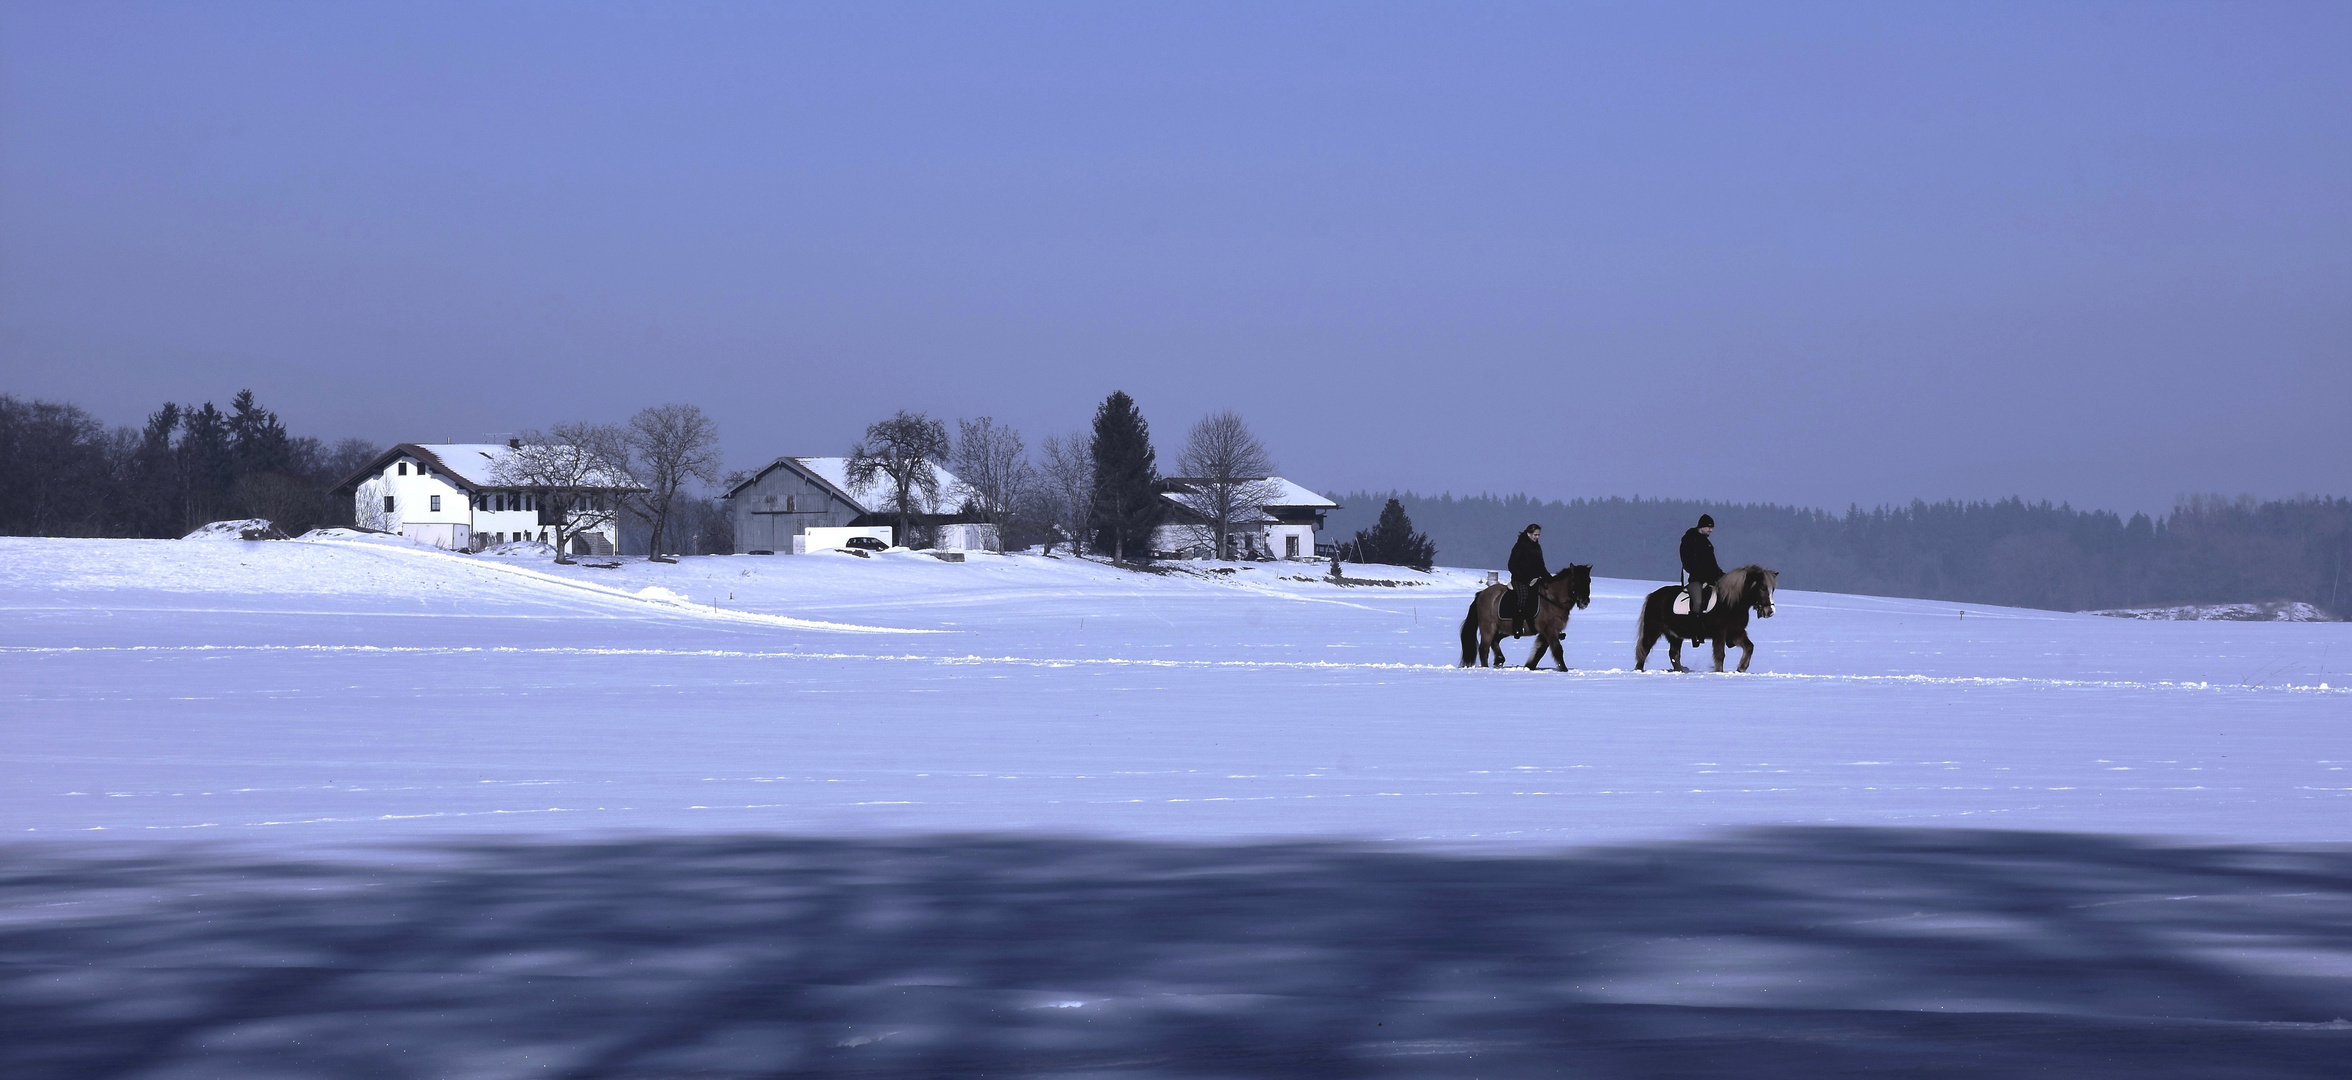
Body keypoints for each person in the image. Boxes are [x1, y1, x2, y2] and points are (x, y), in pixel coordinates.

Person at [1507, 523, 1548, 637]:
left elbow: (1541, 566)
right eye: (1535, 535)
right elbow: (1511, 565)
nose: (1537, 537)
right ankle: (1517, 627)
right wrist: (1523, 577)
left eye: (1538, 535)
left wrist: (1548, 578)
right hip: (1519, 579)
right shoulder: (1520, 546)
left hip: (1534, 579)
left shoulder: (1537, 548)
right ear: (1528, 533)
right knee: (1523, 597)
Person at [1680, 514, 1723, 614]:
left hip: (1707, 579)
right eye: (1709, 527)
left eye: (1712, 527)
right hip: (1692, 579)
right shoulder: (1689, 540)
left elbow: (1712, 564)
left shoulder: (1707, 543)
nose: (1711, 530)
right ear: (1701, 526)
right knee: (1698, 601)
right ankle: (1693, 624)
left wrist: (1721, 575)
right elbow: (1687, 562)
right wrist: (1702, 576)